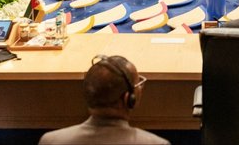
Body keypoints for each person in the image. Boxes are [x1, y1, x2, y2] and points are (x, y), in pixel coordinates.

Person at [38, 55, 170, 145]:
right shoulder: (155, 143)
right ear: (128, 98)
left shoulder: (51, 141)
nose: (141, 88)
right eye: (138, 85)